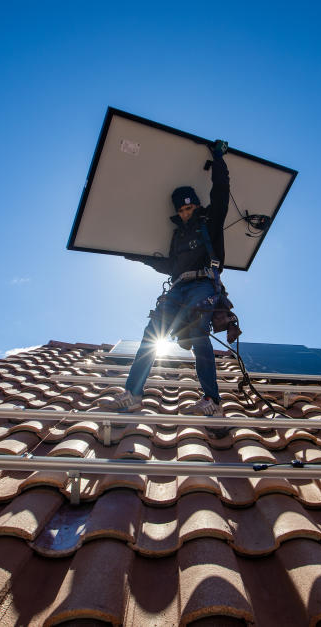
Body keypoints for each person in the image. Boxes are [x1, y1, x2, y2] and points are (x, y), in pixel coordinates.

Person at [101, 139, 231, 420]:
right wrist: (139, 257)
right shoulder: (178, 236)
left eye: (190, 207)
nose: (187, 213)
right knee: (152, 333)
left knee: (198, 330)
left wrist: (218, 158)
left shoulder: (210, 223)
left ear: (197, 205)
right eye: (182, 210)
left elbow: (221, 191)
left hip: (204, 284)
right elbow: (171, 265)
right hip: (178, 287)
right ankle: (133, 394)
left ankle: (212, 400)